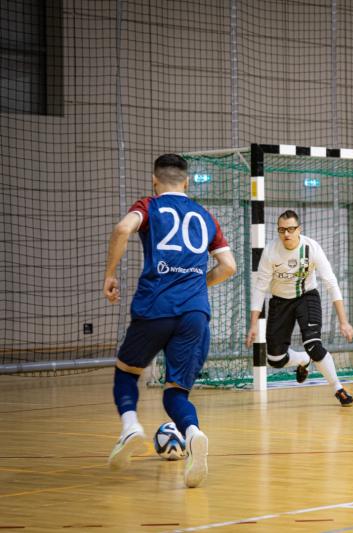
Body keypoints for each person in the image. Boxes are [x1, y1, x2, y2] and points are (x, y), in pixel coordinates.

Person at [104, 154, 236, 488]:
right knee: (175, 393)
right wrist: (196, 284)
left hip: (155, 308)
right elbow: (229, 266)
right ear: (187, 182)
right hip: (194, 313)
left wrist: (109, 274)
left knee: (126, 371)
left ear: (154, 179)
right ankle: (192, 433)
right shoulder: (206, 216)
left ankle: (131, 426)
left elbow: (122, 228)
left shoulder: (149, 206)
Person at [246, 210, 353, 406]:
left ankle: (338, 389)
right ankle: (304, 360)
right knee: (275, 359)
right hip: (280, 301)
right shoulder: (270, 251)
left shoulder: (311, 248)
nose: (286, 234)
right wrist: (253, 324)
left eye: (290, 229)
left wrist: (343, 321)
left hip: (307, 297)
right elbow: (260, 288)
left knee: (313, 344)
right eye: (281, 230)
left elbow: (331, 283)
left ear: (299, 229)